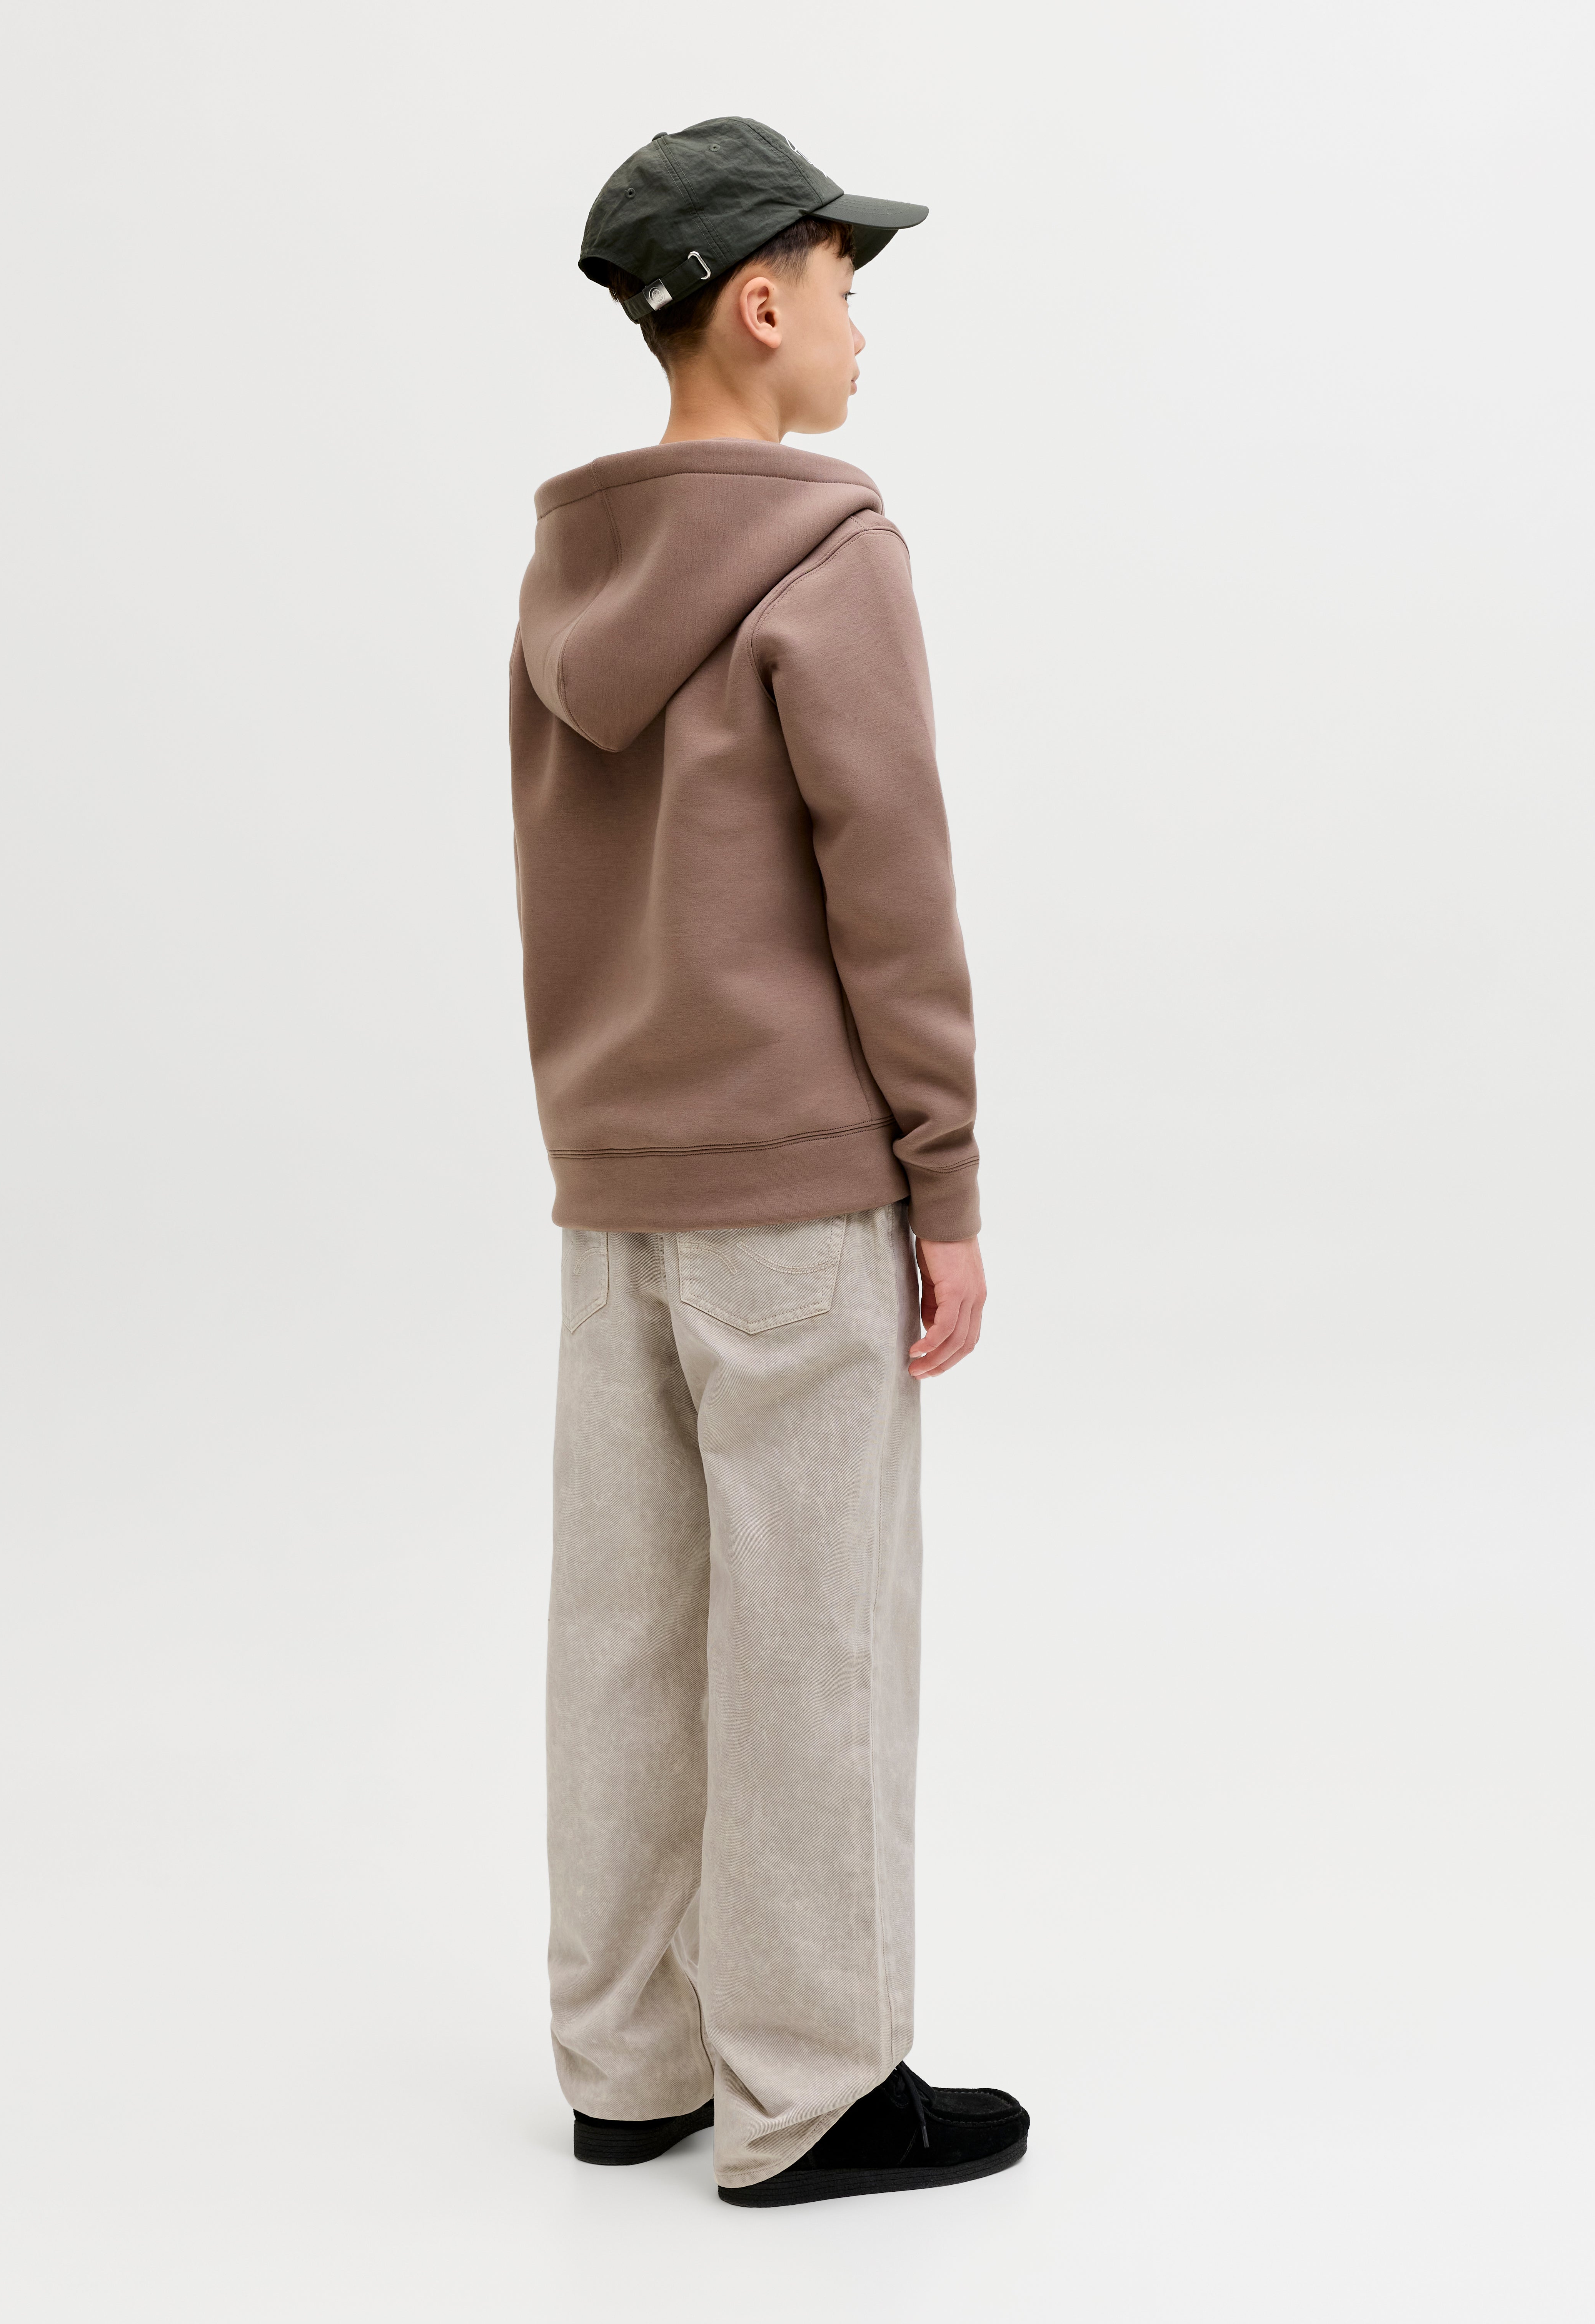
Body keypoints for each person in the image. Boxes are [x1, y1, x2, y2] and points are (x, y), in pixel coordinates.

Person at [509, 116, 1028, 2206]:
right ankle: (809, 2092)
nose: (859, 329)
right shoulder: (831, 552)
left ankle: (629, 2060)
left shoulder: (569, 570)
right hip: (799, 1197)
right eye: (842, 285)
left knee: (626, 1635)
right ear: (755, 303)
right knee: (809, 1633)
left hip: (615, 1193)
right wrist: (946, 1183)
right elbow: (890, 891)